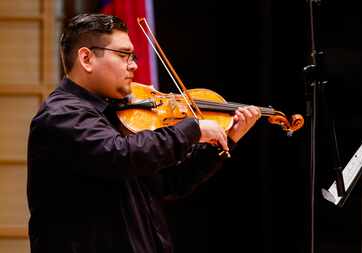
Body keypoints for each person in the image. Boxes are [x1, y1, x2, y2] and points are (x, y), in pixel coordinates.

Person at [27, 13, 261, 253]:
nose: (134, 65)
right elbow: (121, 154)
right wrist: (192, 128)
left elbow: (168, 183)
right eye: (122, 55)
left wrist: (223, 142)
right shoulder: (61, 114)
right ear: (86, 58)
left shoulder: (114, 113)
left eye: (133, 56)